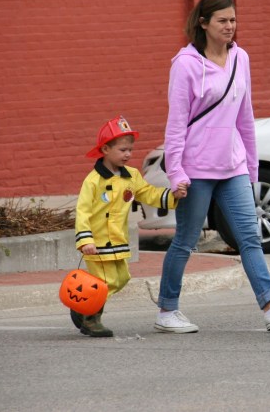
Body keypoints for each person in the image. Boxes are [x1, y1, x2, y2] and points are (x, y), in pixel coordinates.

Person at [156, 0, 270, 333]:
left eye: (233, 20)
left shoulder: (241, 59)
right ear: (204, 23)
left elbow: (245, 118)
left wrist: (251, 170)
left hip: (233, 165)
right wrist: (176, 170)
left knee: (250, 237)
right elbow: (176, 123)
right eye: (222, 20)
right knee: (186, 240)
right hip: (196, 170)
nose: (229, 27)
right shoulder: (186, 65)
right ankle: (167, 309)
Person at [74, 116, 186, 337]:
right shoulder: (93, 181)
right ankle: (90, 319)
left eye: (130, 150)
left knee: (121, 279)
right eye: (122, 149)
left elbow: (148, 194)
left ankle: (83, 304)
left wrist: (172, 195)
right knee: (106, 282)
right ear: (105, 149)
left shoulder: (131, 176)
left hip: (118, 240)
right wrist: (85, 240)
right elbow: (83, 211)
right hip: (97, 243)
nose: (127, 154)